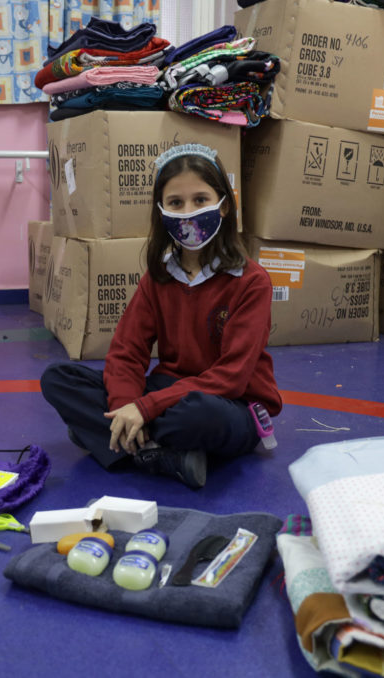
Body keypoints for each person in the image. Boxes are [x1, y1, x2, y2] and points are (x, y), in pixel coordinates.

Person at [40, 143, 282, 489]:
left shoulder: (251, 281)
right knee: (58, 378)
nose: (189, 212)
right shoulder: (159, 278)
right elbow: (126, 352)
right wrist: (127, 406)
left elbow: (231, 377)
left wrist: (146, 408)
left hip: (230, 404)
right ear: (162, 212)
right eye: (176, 203)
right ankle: (160, 453)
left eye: (201, 200)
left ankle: (112, 438)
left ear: (224, 206)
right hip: (169, 391)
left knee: (201, 415)